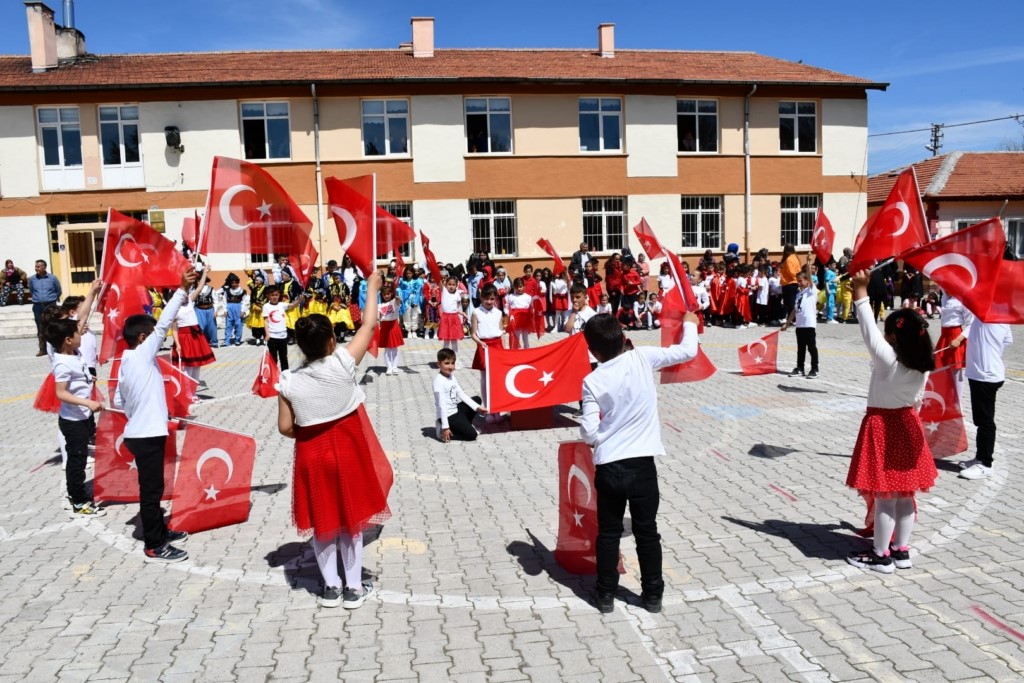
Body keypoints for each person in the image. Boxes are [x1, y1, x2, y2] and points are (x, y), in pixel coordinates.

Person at [277, 271, 392, 608]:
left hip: (311, 454)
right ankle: (354, 589)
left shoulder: (288, 380)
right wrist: (371, 288)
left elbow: (285, 427)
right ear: (331, 341)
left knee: (323, 522)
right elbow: (368, 326)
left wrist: (311, 427)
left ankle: (330, 588)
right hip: (347, 451)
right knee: (351, 522)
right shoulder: (342, 364)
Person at [579, 310, 699, 613]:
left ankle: (605, 594)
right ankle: (652, 595)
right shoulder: (642, 357)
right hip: (642, 465)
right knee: (647, 532)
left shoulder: (592, 380)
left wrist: (603, 436)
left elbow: (589, 431)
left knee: (608, 533)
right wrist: (690, 323)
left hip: (609, 466)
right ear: (624, 338)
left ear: (592, 351)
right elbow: (687, 351)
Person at [844, 270, 937, 573]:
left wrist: (860, 291)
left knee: (885, 497)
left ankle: (881, 555)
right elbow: (919, 400)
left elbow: (867, 330)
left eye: (889, 334)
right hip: (909, 427)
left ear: (895, 337)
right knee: (904, 495)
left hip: (883, 428)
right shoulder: (921, 365)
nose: (883, 338)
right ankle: (901, 551)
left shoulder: (890, 361)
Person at [115, 267, 198, 562]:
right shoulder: (140, 355)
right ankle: (154, 544)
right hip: (146, 435)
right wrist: (181, 289)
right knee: (151, 493)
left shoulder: (126, 363)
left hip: (143, 432)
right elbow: (163, 324)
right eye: (151, 337)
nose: (158, 340)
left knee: (155, 487)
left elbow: (119, 400)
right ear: (141, 338)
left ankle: (159, 530)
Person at [47, 280, 103, 516]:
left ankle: (78, 493)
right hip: (73, 420)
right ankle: (78, 501)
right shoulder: (62, 361)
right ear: (68, 340)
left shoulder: (73, 350)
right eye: (77, 332)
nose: (83, 331)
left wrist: (92, 291)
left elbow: (80, 317)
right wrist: (87, 402)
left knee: (80, 457)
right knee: (77, 460)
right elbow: (60, 392)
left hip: (83, 416)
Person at [958, 316, 1013, 480]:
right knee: (981, 420)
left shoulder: (988, 319)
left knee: (985, 421)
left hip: (985, 376)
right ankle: (981, 457)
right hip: (984, 374)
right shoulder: (998, 318)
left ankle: (985, 464)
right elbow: (1008, 340)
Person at [171, 268, 216, 387]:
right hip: (184, 338)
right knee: (187, 367)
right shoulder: (174, 308)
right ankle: (186, 392)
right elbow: (174, 328)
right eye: (183, 293)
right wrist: (177, 344)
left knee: (197, 366)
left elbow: (200, 288)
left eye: (187, 292)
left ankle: (193, 392)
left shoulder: (190, 301)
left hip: (196, 335)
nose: (186, 294)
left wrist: (205, 272)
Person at [433, 348, 487, 442]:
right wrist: (445, 427)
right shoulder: (438, 382)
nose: (450, 366)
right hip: (448, 416)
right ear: (438, 364)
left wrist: (478, 408)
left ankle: (465, 425)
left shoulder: (451, 376)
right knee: (472, 436)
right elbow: (442, 406)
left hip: (455, 410)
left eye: (452, 363)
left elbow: (461, 394)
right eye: (446, 363)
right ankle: (442, 431)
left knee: (477, 399)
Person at [470, 284, 505, 423]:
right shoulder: (476, 312)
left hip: (497, 345)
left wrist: (505, 350)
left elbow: (501, 331)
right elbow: (473, 334)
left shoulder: (498, 312)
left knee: (497, 379)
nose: (489, 302)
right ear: (481, 297)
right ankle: (487, 409)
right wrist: (480, 342)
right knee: (485, 378)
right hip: (484, 345)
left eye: (492, 299)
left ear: (495, 299)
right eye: (486, 299)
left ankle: (497, 408)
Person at [781, 255, 818, 378]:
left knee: (811, 348)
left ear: (807, 281)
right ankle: (800, 368)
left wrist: (808, 263)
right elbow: (794, 311)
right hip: (800, 325)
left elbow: (811, 278)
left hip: (809, 324)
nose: (799, 283)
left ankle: (814, 369)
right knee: (800, 348)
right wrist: (787, 323)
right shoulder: (799, 294)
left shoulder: (811, 291)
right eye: (798, 281)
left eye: (801, 281)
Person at [262, 286, 303, 372]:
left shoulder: (281, 305)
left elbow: (291, 305)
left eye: (276, 295)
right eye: (272, 295)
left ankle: (285, 375)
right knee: (273, 359)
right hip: (272, 337)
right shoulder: (266, 306)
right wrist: (267, 334)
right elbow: (265, 321)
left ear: (279, 295)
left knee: (283, 358)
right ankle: (273, 376)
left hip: (283, 337)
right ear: (268, 296)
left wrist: (299, 300)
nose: (274, 297)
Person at [30, 259, 62, 356]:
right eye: (35, 266)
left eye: (38, 267)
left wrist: (52, 300)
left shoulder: (53, 278)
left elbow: (58, 290)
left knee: (53, 326)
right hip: (38, 306)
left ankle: (57, 347)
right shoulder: (32, 279)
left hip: (50, 305)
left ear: (44, 267)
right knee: (40, 328)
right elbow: (32, 291)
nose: (36, 268)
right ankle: (42, 349)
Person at [935, 292, 972, 373]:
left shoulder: (963, 299)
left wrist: (959, 339)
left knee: (955, 372)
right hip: (944, 335)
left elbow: (971, 325)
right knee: (941, 370)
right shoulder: (944, 297)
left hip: (955, 336)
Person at [378, 283, 403, 376]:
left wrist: (398, 299)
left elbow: (398, 302)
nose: (386, 296)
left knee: (395, 348)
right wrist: (377, 322)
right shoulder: (379, 305)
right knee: (387, 349)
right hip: (385, 327)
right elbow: (378, 316)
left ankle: (395, 367)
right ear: (382, 295)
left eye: (388, 294)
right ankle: (389, 367)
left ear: (391, 294)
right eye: (384, 294)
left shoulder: (394, 302)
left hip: (393, 326)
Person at [505, 277, 533, 350]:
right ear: (514, 287)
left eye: (520, 286)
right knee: (516, 336)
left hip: (525, 319)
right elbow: (506, 307)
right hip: (515, 320)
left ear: (524, 286)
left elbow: (531, 307)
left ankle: (527, 351)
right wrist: (509, 315)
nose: (519, 288)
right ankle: (515, 352)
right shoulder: (510, 297)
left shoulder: (528, 297)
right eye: (517, 287)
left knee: (525, 337)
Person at [438, 276, 463, 355]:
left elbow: (458, 307)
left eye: (453, 284)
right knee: (446, 340)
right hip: (445, 318)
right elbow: (439, 282)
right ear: (446, 284)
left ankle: (455, 360)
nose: (451, 286)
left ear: (456, 285)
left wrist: (462, 315)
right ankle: (445, 358)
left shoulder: (457, 295)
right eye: (449, 284)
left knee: (454, 341)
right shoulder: (444, 291)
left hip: (454, 318)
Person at [222, 273, 247, 346]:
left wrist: (243, 310)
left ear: (238, 282)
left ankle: (237, 339)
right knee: (228, 325)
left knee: (238, 324)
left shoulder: (242, 291)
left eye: (235, 283)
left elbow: (244, 301)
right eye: (232, 283)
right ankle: (227, 340)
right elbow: (224, 300)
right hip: (229, 308)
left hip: (238, 307)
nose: (234, 284)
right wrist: (225, 310)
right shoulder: (227, 291)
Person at [193, 274, 218, 347]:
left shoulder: (211, 289)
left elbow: (215, 300)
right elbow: (192, 300)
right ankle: (202, 342)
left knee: (212, 326)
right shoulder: (195, 289)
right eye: (197, 281)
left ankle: (214, 342)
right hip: (199, 309)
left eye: (199, 281)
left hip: (210, 309)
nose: (198, 282)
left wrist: (215, 310)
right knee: (201, 326)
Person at [779, 244, 801, 322]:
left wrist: (796, 279)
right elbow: (798, 271)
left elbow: (791, 272)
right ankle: (792, 319)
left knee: (789, 303)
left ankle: (791, 319)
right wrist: (798, 280)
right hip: (793, 283)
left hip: (789, 283)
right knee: (791, 302)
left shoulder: (788, 259)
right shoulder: (796, 257)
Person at [246, 273, 269, 346]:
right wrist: (253, 305)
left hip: (263, 309)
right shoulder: (254, 289)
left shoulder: (266, 289)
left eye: (257, 280)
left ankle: (265, 337)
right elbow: (252, 298)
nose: (255, 281)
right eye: (255, 280)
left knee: (263, 324)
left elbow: (267, 298)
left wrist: (261, 305)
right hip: (255, 309)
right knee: (255, 325)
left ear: (261, 281)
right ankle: (257, 338)